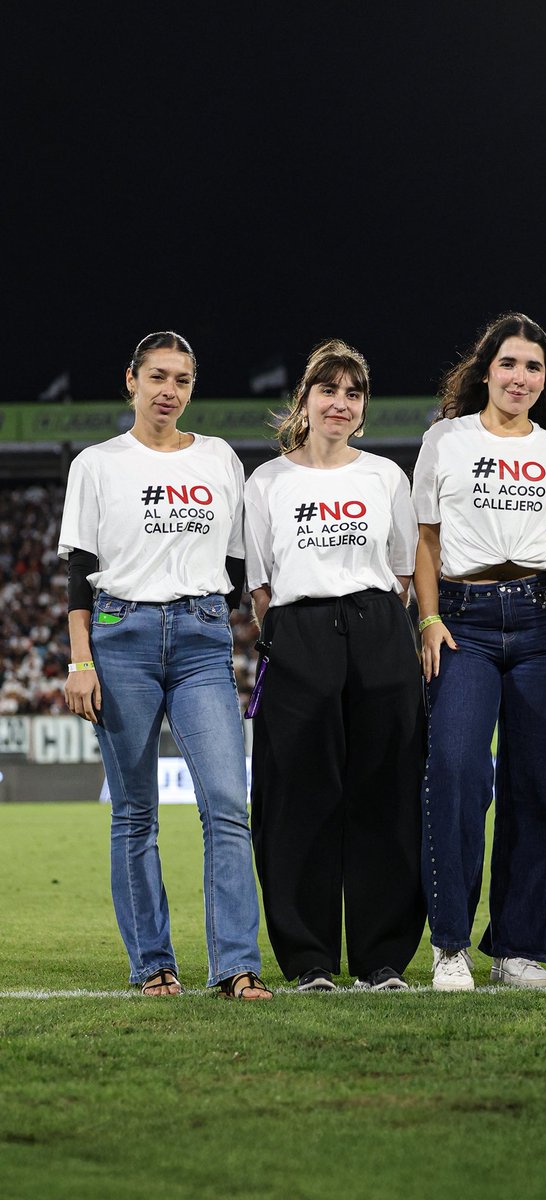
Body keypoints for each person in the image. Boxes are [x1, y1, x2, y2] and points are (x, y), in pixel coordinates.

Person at [59, 331, 270, 999]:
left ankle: (235, 966)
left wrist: (216, 613)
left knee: (228, 807)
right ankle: (154, 966)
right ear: (131, 380)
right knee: (135, 813)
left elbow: (239, 563)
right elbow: (76, 573)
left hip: (202, 636)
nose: (168, 390)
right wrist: (78, 660)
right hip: (119, 635)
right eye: (157, 376)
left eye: (181, 378)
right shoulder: (97, 463)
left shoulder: (218, 458)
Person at [244, 339, 425, 992]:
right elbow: (260, 587)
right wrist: (302, 641)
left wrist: (368, 629)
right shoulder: (266, 482)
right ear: (305, 399)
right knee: (298, 800)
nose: (341, 403)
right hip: (298, 634)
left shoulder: (385, 477)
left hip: (378, 630)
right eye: (329, 390)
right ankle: (308, 958)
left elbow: (403, 570)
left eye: (353, 393)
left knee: (386, 794)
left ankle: (382, 959)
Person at [412, 313, 546, 991]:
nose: (520, 377)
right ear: (487, 369)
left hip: (545, 623)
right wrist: (426, 618)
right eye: (509, 364)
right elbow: (425, 539)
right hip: (462, 622)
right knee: (456, 771)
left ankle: (518, 948)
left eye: (533, 367)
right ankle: (449, 943)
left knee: (538, 786)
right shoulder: (445, 440)